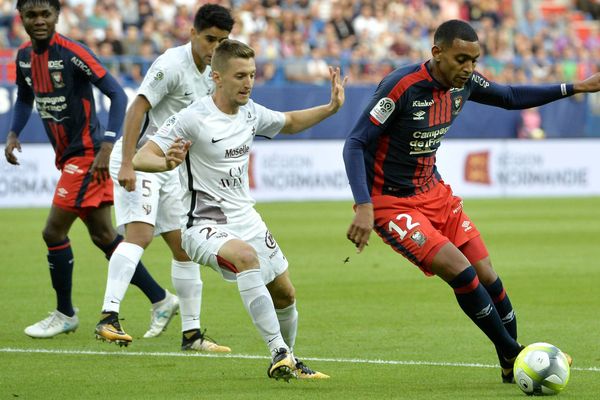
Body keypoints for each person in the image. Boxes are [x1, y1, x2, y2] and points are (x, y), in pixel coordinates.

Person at [343, 19, 597, 383]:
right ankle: (515, 352)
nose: (469, 69)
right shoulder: (400, 87)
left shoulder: (466, 83)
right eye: (461, 59)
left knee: (487, 276)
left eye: (474, 60)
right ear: (437, 53)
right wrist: (364, 205)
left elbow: (510, 97)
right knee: (461, 271)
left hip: (435, 192)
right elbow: (354, 143)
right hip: (391, 203)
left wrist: (577, 87)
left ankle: (510, 364)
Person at [132, 39, 346, 380]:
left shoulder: (250, 112)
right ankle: (277, 350)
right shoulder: (193, 117)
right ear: (217, 77)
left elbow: (288, 121)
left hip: (247, 219)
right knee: (246, 257)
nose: (248, 82)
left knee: (286, 293)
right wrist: (165, 162)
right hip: (201, 224)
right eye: (240, 76)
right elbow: (142, 156)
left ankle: (289, 359)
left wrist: (330, 108)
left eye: (252, 75)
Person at [4, 0, 173, 339]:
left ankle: (65, 312)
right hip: (69, 156)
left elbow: (116, 94)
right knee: (104, 236)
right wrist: (13, 132)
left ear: (57, 17)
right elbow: (25, 98)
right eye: (31, 15)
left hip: (88, 155)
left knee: (53, 232)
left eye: (45, 14)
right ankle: (161, 299)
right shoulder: (24, 56)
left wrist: (108, 145)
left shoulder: (71, 53)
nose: (39, 21)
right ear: (20, 18)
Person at [94, 4, 234, 351]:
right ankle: (108, 317)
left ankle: (192, 335)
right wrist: (126, 163)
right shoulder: (172, 65)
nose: (215, 48)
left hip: (170, 168)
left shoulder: (215, 74)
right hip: (140, 160)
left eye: (223, 41)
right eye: (210, 39)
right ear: (192, 34)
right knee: (139, 236)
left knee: (183, 247)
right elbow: (137, 107)